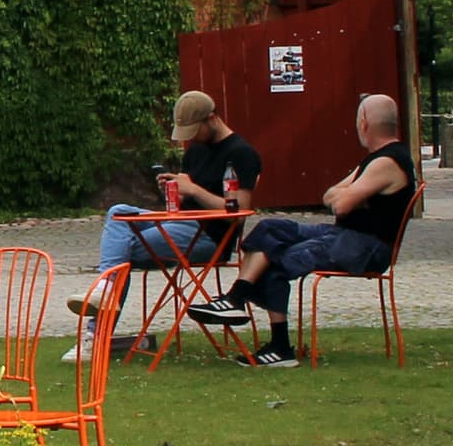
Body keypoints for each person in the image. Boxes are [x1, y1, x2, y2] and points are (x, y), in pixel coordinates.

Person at [189, 95, 417, 368]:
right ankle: (237, 298)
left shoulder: (387, 162)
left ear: (364, 123)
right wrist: (353, 196)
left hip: (365, 247)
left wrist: (349, 196)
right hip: (342, 237)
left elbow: (341, 204)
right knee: (270, 229)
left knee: (278, 259)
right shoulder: (375, 160)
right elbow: (328, 195)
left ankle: (280, 347)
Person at [65, 89, 259, 364]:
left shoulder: (241, 154)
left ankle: (95, 333)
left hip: (209, 236)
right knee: (118, 213)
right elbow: (188, 198)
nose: (190, 138)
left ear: (212, 118)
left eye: (193, 131)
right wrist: (176, 192)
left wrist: (192, 189)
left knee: (123, 248)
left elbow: (237, 213)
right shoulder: (196, 151)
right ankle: (105, 296)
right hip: (181, 224)